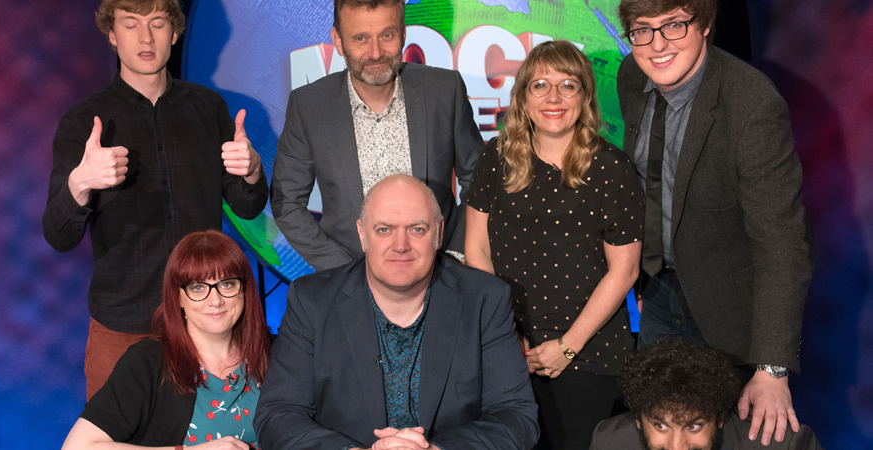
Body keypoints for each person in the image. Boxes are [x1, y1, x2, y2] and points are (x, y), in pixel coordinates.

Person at [42, 0, 268, 399]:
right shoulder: (84, 122)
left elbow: (247, 206)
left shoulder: (208, 107)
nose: (146, 37)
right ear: (112, 36)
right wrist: (81, 183)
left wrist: (250, 171)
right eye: (131, 25)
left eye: (158, 24)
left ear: (175, 34)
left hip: (205, 320)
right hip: (123, 326)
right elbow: (59, 236)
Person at [614, 0, 815, 446]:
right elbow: (649, 184)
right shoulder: (632, 74)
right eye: (642, 30)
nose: (657, 45)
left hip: (731, 314)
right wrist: (645, 281)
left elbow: (783, 244)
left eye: (674, 26)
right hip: (660, 293)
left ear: (705, 24)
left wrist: (772, 369)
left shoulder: (752, 105)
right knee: (663, 434)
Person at [254, 174, 539, 449]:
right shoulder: (312, 301)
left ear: (438, 234)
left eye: (417, 229)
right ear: (363, 235)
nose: (401, 245)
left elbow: (516, 417)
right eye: (384, 230)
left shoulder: (485, 299)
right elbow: (277, 415)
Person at [464, 40, 644, 449]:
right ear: (522, 96)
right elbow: (477, 251)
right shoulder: (496, 157)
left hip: (589, 352)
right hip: (508, 345)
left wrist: (567, 347)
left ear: (585, 97)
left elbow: (626, 270)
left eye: (569, 85)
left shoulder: (612, 168)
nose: (554, 97)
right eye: (540, 85)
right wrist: (505, 333)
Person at [270, 0, 482, 271]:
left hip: (441, 274)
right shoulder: (309, 106)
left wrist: (455, 255)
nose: (376, 53)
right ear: (338, 41)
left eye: (387, 35)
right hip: (351, 282)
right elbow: (287, 203)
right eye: (360, 38)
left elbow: (479, 182)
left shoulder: (445, 90)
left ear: (403, 34)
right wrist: (344, 271)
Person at [61, 230, 273, 449]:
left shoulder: (279, 351)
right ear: (178, 297)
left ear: (244, 290)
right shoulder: (147, 363)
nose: (215, 300)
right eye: (198, 287)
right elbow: (77, 446)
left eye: (227, 284)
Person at [590, 339, 825, 450]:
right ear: (640, 422)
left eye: (693, 427)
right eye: (660, 426)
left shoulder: (786, 446)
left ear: (720, 418)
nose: (677, 446)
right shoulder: (610, 442)